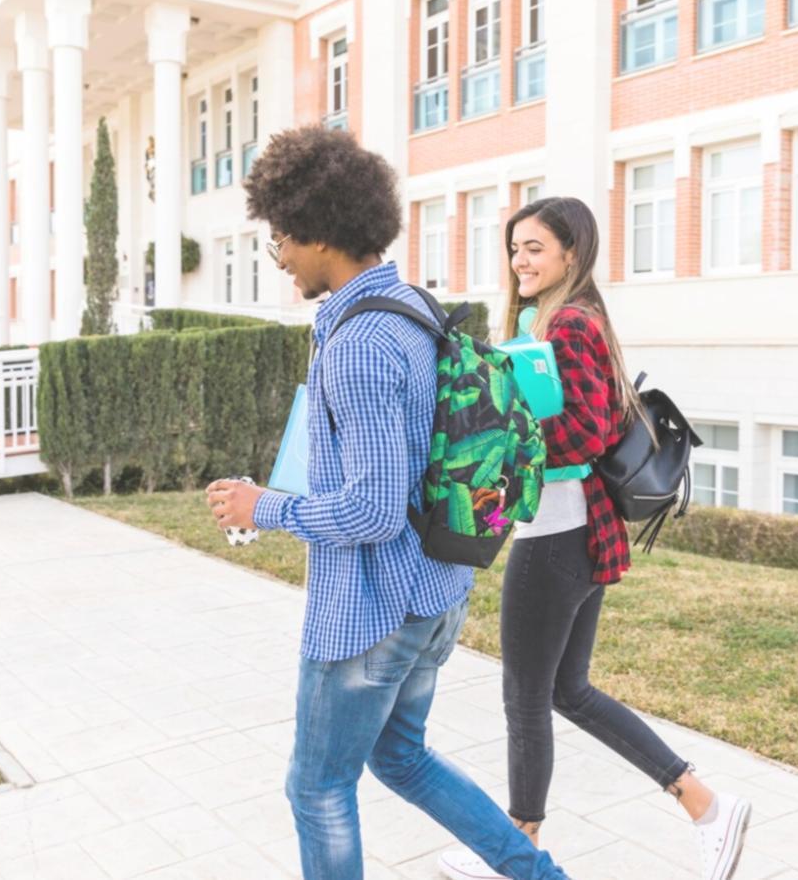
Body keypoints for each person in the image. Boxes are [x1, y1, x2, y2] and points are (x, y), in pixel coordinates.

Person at [206, 126, 573, 880]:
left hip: (372, 611)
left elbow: (372, 511)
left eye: (280, 237)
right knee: (400, 756)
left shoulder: (359, 345)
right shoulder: (412, 307)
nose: (277, 257)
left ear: (319, 231)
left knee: (316, 788)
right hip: (436, 591)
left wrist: (260, 507)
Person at [438, 197, 750, 880]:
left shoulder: (571, 324)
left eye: (535, 248)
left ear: (570, 254)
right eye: (515, 248)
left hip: (559, 535)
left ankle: (519, 853)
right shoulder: (549, 320)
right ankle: (704, 804)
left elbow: (586, 430)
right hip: (573, 532)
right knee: (565, 691)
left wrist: (502, 436)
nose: (521, 260)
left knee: (525, 697)